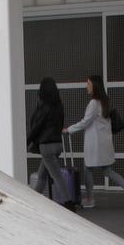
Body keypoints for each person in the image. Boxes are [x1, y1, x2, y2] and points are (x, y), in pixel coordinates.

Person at [63, 75, 124, 209]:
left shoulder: (94, 103)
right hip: (104, 142)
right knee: (107, 170)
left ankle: (90, 199)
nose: (86, 86)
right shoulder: (104, 101)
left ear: (94, 86)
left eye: (88, 83)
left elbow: (85, 122)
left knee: (88, 168)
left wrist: (69, 129)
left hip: (95, 143)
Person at [28, 76, 74, 208]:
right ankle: (33, 202)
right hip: (58, 144)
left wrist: (28, 140)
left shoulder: (44, 106)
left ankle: (68, 203)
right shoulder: (59, 105)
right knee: (42, 175)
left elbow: (37, 125)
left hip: (46, 146)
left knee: (56, 176)